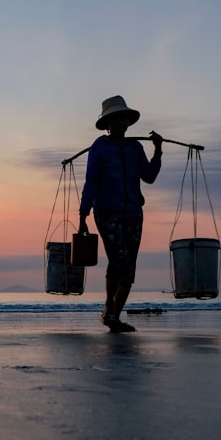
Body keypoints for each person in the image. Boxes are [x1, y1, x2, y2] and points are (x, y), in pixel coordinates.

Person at [78, 95, 163, 332]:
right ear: (107, 123)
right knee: (120, 259)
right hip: (107, 213)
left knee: (128, 265)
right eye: (113, 119)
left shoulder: (136, 148)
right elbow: (91, 182)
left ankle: (113, 315)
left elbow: (149, 176)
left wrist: (158, 151)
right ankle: (109, 307)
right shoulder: (99, 147)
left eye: (122, 118)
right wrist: (83, 214)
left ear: (128, 121)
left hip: (134, 213)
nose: (118, 123)